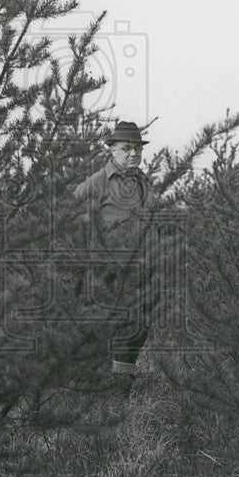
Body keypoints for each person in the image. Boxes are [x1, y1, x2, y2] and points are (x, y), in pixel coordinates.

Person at [73, 120, 159, 379]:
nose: (133, 153)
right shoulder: (96, 184)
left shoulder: (144, 183)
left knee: (137, 330)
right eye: (126, 148)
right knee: (115, 330)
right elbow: (73, 222)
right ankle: (101, 386)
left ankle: (120, 388)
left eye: (137, 149)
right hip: (110, 274)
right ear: (112, 150)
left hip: (144, 272)